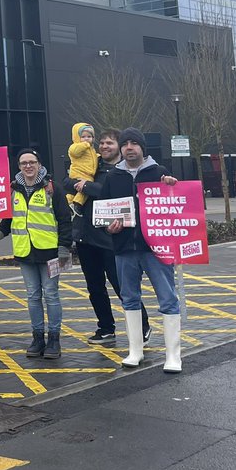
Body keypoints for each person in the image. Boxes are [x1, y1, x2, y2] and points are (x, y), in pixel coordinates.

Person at [97, 127, 183, 372]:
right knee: (129, 298)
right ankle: (135, 350)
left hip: (156, 248)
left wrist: (172, 187)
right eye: (125, 144)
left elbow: (175, 205)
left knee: (167, 298)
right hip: (125, 247)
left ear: (143, 147)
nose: (129, 147)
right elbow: (104, 212)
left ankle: (173, 355)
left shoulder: (160, 173)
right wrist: (109, 229)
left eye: (134, 143)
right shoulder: (113, 177)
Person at [64, 128, 150, 346]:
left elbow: (113, 192)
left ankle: (143, 326)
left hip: (112, 240)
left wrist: (87, 186)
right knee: (94, 287)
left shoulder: (123, 171)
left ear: (119, 147)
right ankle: (105, 328)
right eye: (101, 143)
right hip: (86, 237)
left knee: (123, 287)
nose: (104, 147)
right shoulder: (92, 165)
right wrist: (80, 183)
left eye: (109, 143)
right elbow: (67, 182)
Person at [0, 148, 73, 360]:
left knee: (51, 295)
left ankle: (54, 338)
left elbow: (65, 220)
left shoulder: (52, 189)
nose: (28, 166)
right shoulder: (13, 190)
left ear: (39, 164)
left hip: (50, 252)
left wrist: (64, 248)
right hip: (25, 252)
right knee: (32, 296)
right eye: (23, 163)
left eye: (32, 162)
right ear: (19, 166)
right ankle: (38, 337)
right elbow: (7, 221)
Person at [66, 122, 98, 228]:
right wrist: (84, 144)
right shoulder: (76, 147)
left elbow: (93, 157)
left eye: (89, 136)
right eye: (83, 136)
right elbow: (74, 152)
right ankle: (77, 204)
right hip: (80, 173)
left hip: (86, 173)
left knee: (75, 191)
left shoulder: (91, 150)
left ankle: (69, 202)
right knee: (85, 189)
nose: (86, 139)